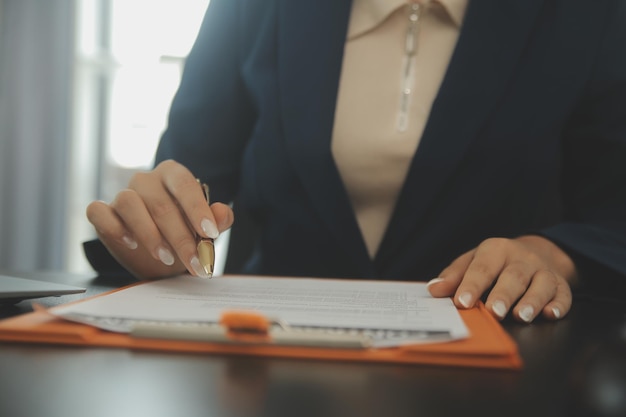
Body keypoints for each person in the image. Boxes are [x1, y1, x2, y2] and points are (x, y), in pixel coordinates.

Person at [84, 0, 626, 324]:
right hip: (268, 362)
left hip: (498, 367)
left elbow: (613, 215)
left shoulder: (589, 14)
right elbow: (187, 180)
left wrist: (552, 254)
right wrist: (159, 239)